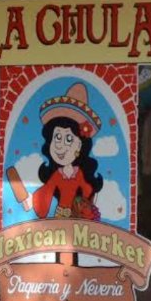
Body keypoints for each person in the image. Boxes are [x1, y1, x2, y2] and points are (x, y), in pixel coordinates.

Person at [29, 82, 104, 221]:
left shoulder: (79, 173)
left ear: (79, 147)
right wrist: (32, 202)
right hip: (61, 215)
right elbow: (47, 190)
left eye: (69, 138)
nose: (60, 145)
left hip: (76, 215)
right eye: (57, 137)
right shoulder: (58, 174)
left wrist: (90, 203)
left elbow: (87, 189)